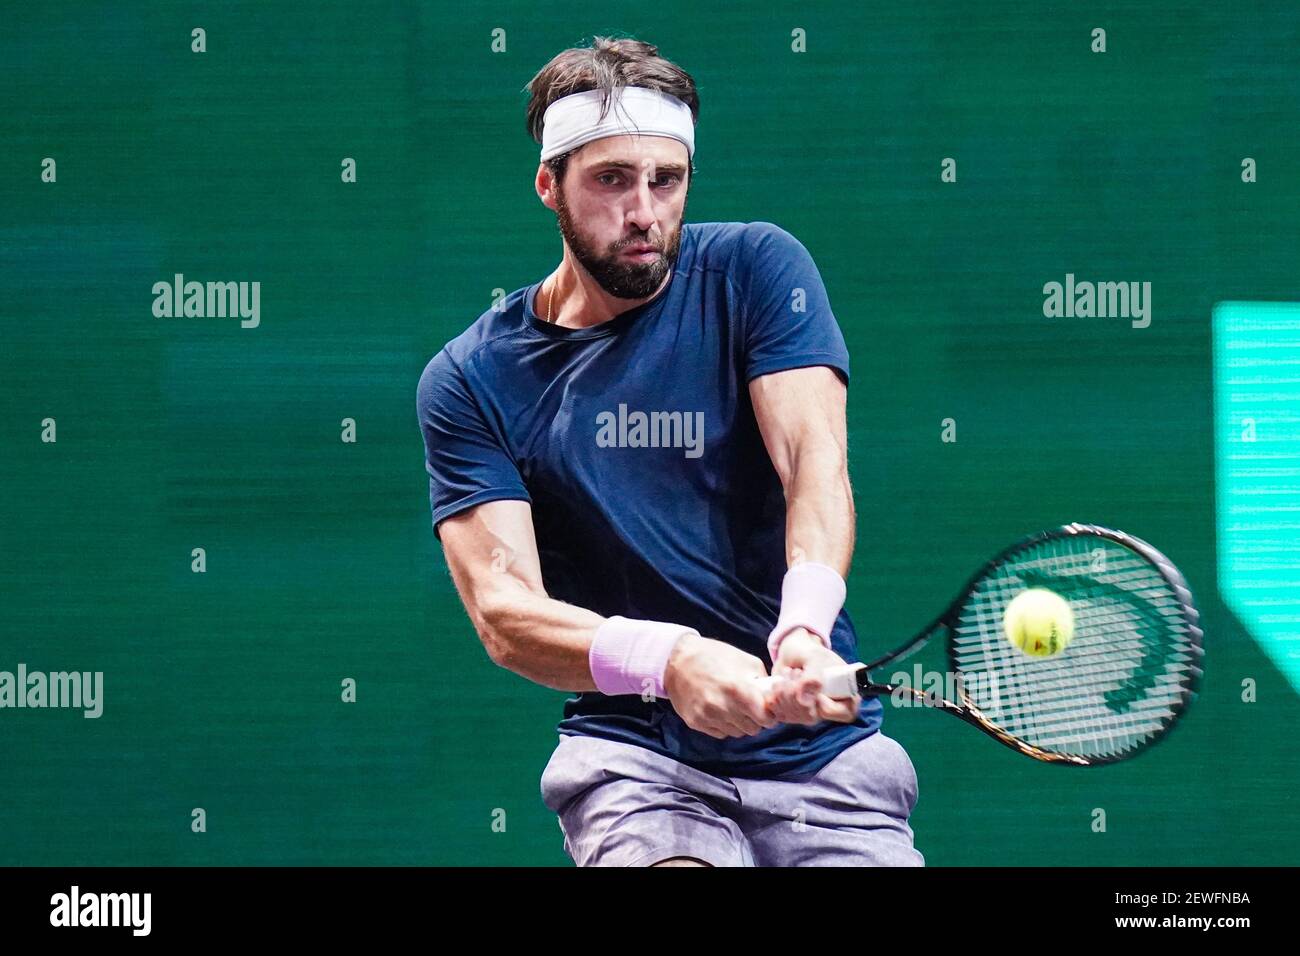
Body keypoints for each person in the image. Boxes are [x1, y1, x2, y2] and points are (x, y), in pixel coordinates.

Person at [416, 36, 922, 867]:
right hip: (636, 760)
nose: (645, 211)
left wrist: (802, 627)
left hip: (827, 768)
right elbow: (506, 615)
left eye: (667, 179)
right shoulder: (472, 379)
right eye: (611, 180)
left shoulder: (757, 269)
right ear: (550, 186)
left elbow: (814, 466)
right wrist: (669, 660)